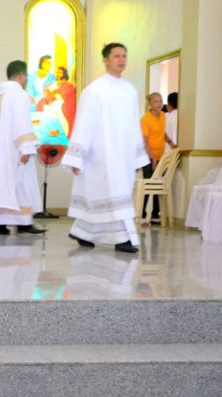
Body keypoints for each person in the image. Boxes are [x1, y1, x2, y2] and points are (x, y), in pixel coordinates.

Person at [63, 43, 149, 253]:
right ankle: (123, 239)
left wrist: (137, 158)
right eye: (116, 56)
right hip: (100, 154)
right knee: (112, 194)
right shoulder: (94, 90)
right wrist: (77, 157)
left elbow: (133, 124)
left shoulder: (130, 91)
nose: (121, 60)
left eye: (124, 56)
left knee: (109, 196)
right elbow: (83, 123)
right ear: (105, 60)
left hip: (123, 155)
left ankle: (82, 231)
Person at [0, 61, 46, 235]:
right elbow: (21, 121)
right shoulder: (19, 94)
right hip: (13, 151)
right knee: (20, 183)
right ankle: (23, 223)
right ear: (21, 76)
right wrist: (26, 147)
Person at [139, 92, 174, 224]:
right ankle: (142, 214)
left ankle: (155, 215)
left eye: (160, 101)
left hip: (160, 156)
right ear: (149, 104)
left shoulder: (163, 116)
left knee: (157, 185)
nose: (159, 104)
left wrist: (170, 142)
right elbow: (145, 141)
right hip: (147, 157)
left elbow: (161, 132)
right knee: (148, 185)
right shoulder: (145, 119)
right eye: (155, 101)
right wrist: (153, 158)